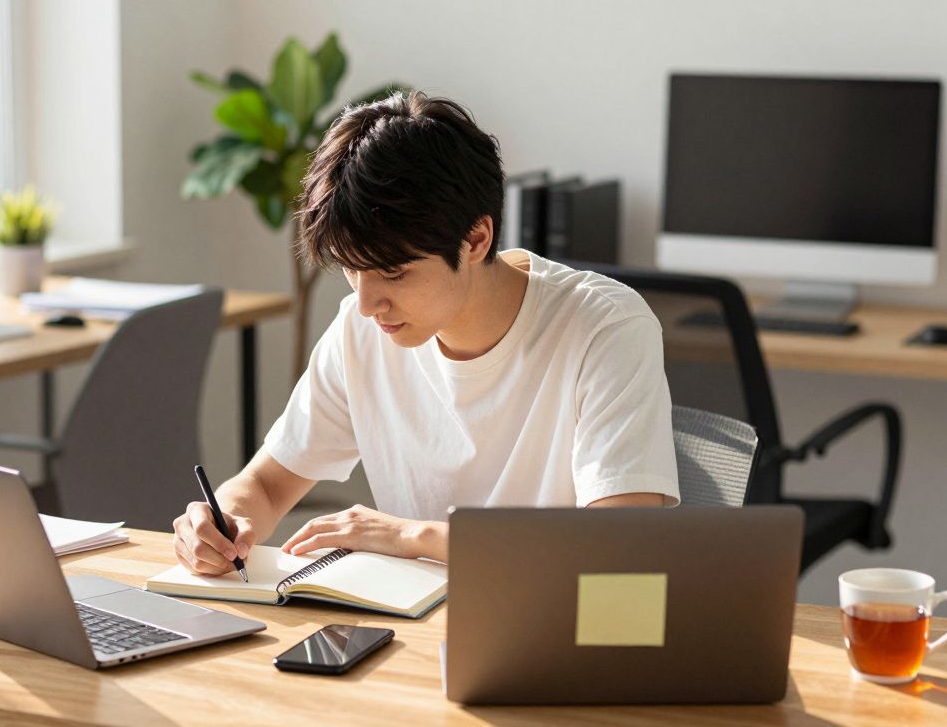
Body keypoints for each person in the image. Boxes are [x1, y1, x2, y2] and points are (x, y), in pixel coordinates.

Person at [173, 91, 678, 575]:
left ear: (476, 239)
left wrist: (413, 537)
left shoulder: (604, 328)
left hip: (558, 620)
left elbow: (619, 546)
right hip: (415, 617)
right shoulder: (360, 329)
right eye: (351, 269)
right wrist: (223, 522)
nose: (366, 304)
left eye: (393, 273)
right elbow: (266, 485)